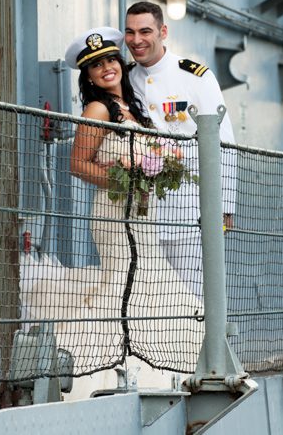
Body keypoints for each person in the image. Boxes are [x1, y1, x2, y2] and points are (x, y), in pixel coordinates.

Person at [19, 26, 203, 400]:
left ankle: (161, 367)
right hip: (114, 215)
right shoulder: (97, 108)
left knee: (150, 282)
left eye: (109, 60)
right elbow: (77, 164)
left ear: (119, 62)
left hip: (141, 216)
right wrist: (124, 178)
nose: (105, 68)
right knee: (131, 282)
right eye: (95, 66)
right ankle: (117, 372)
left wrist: (159, 165)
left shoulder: (132, 107)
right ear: (87, 76)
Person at [125, 1, 237, 299]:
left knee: (193, 297)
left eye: (145, 31)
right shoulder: (125, 79)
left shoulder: (193, 76)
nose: (137, 40)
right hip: (141, 214)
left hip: (189, 211)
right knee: (147, 299)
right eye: (130, 32)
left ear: (163, 31)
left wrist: (224, 206)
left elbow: (223, 142)